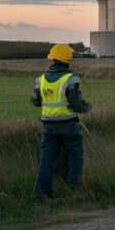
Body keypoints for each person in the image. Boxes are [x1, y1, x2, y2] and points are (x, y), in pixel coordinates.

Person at [30, 44, 92, 198]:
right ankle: (73, 190)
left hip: (48, 126)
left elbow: (36, 102)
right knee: (75, 158)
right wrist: (87, 107)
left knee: (46, 161)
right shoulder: (70, 79)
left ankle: (42, 193)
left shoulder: (41, 80)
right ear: (67, 60)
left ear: (53, 59)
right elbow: (76, 104)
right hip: (69, 125)